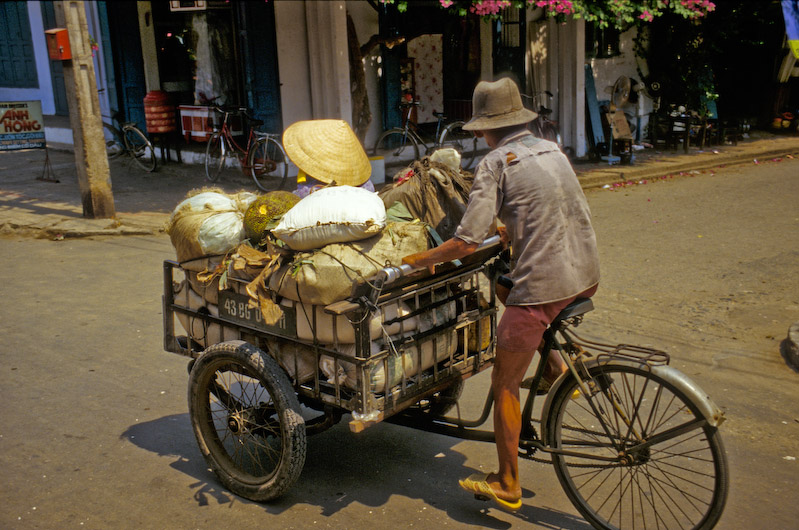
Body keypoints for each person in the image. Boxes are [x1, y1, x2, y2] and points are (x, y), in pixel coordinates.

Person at [402, 77, 600, 512]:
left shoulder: (495, 163)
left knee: (504, 383)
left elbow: (466, 243)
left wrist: (420, 259)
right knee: (503, 284)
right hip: (585, 273)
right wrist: (510, 228)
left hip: (545, 289)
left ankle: (508, 481)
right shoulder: (551, 149)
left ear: (484, 128)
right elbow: (549, 206)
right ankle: (554, 365)